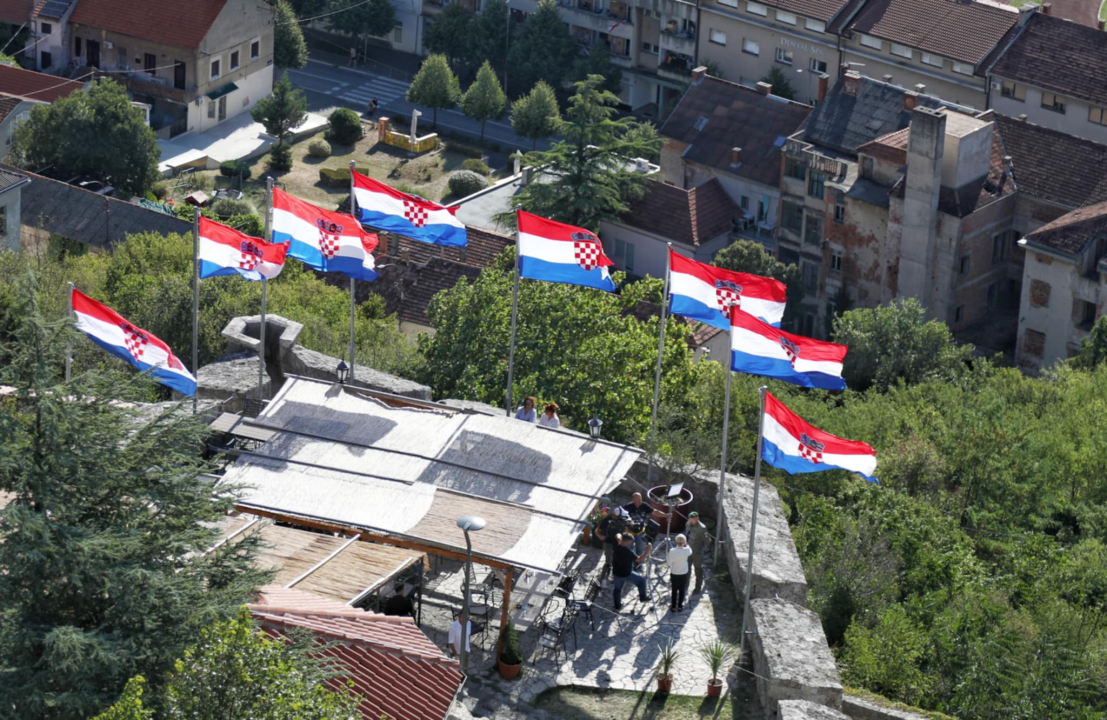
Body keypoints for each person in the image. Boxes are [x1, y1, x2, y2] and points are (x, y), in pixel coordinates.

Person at [611, 533, 653, 611]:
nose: (631, 543)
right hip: (626, 574)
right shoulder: (627, 551)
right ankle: (643, 597)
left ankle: (617, 606)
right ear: (627, 541)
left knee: (617, 589)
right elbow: (639, 559)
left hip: (616, 573)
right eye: (630, 541)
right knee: (641, 581)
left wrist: (620, 536)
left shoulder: (616, 546)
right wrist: (647, 551)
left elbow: (617, 535)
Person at [595, 506, 627, 587]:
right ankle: (602, 579)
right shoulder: (606, 521)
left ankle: (614, 577)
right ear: (616, 516)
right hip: (608, 543)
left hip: (617, 542)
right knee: (608, 562)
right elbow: (597, 530)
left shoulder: (621, 520)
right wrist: (600, 536)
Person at [666, 533, 693, 612]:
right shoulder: (687, 550)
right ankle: (680, 606)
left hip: (674, 572)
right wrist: (686, 544)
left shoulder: (672, 551)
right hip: (684, 572)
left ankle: (673, 606)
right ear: (684, 542)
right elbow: (690, 550)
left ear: (676, 541)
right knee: (682, 589)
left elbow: (669, 563)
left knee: (674, 589)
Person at [687, 511, 709, 594]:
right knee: (686, 568)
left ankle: (698, 587)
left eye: (693, 520)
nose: (691, 521)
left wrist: (700, 547)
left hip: (697, 552)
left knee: (698, 570)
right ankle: (686, 584)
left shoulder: (702, 528)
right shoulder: (688, 524)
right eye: (690, 519)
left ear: (697, 519)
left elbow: (707, 541)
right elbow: (687, 534)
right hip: (688, 550)